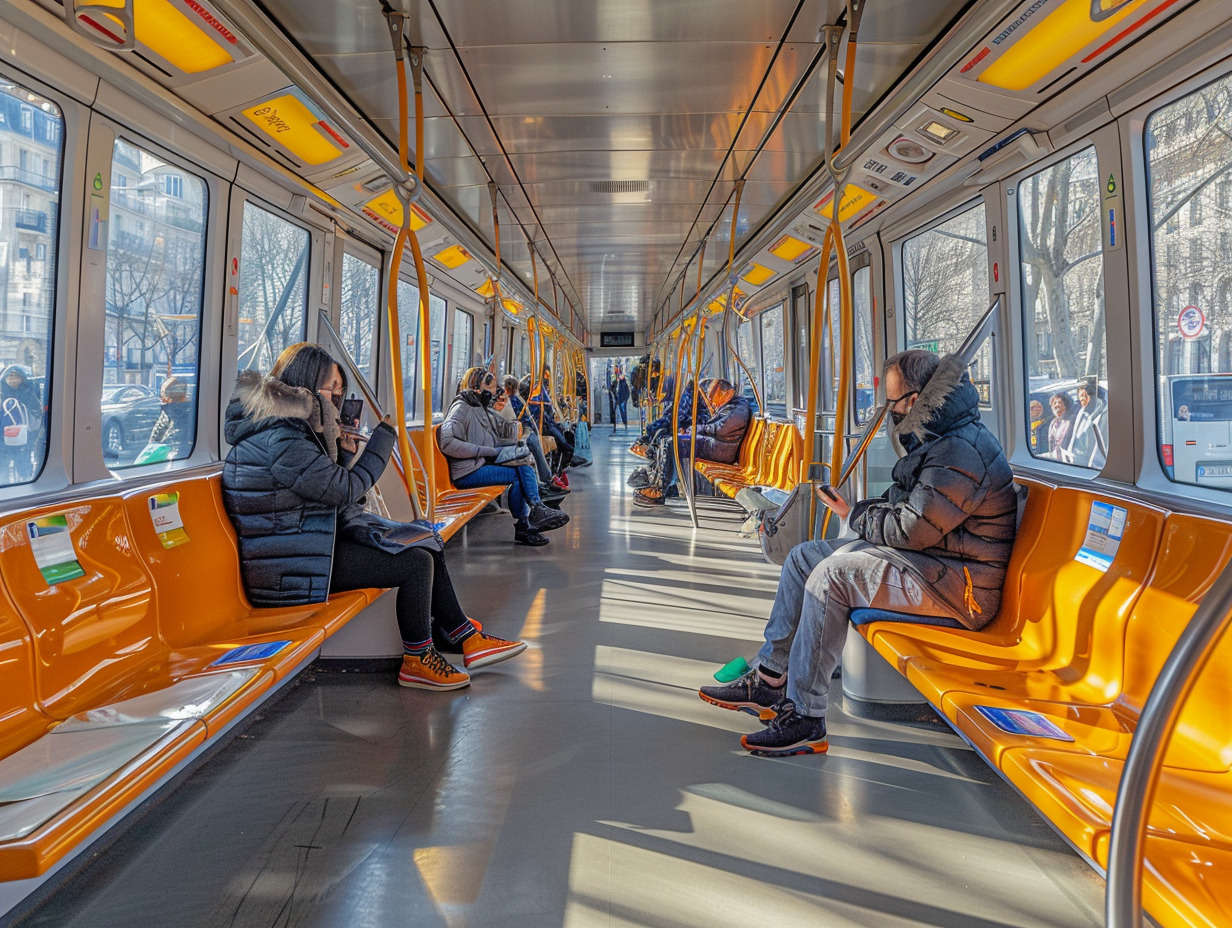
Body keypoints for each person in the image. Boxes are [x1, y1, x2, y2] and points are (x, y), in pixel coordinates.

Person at [698, 350, 1017, 756]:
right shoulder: (940, 439)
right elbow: (914, 517)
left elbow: (912, 528)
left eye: (893, 402)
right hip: (933, 563)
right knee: (804, 558)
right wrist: (856, 514)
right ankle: (771, 677)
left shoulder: (959, 452)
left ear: (916, 401)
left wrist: (858, 515)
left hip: (958, 587)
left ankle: (806, 716)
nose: (891, 411)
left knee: (831, 577)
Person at [221, 343, 525, 691]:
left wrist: (345, 455)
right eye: (330, 389)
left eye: (340, 390)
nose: (336, 399)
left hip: (309, 546)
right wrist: (381, 443)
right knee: (415, 563)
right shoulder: (282, 438)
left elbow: (321, 492)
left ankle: (461, 635)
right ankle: (418, 659)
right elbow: (344, 490)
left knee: (424, 536)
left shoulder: (289, 430)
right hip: (288, 569)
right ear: (304, 386)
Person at [440, 367, 569, 546]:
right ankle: (530, 517)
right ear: (478, 388)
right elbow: (447, 443)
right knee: (520, 471)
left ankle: (531, 516)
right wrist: (486, 451)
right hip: (466, 472)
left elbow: (490, 436)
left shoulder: (477, 406)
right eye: (492, 387)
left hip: (479, 464)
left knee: (522, 461)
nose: (495, 392)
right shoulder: (461, 408)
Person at [634, 378, 751, 507]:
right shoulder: (734, 405)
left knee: (674, 443)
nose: (710, 401)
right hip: (719, 445)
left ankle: (659, 490)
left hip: (721, 450)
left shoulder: (739, 407)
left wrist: (693, 430)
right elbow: (716, 428)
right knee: (670, 440)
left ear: (722, 392)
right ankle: (664, 485)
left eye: (712, 396)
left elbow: (721, 429)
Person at [528, 367, 575, 479]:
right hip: (542, 422)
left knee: (562, 429)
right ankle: (567, 450)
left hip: (547, 420)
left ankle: (565, 457)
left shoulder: (541, 389)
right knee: (556, 431)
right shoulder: (537, 390)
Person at [0, 365, 43, 483]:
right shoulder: (1, 392)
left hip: (25, 438)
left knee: (23, 467)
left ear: (21, 379)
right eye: (10, 377)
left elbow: (37, 413)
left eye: (16, 377)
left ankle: (24, 483)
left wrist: (32, 435)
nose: (13, 380)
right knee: (3, 468)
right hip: (2, 439)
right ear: (5, 379)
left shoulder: (29, 392)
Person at [1067, 378, 1107, 468]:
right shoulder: (1082, 412)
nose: (1082, 397)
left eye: (1085, 394)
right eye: (1080, 393)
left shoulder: (1102, 416)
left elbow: (1098, 457)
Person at [1046, 392, 1075, 461]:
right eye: (1054, 403)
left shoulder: (1070, 422)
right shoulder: (1053, 423)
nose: (1056, 406)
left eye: (1059, 402)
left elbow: (1063, 444)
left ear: (1066, 405)